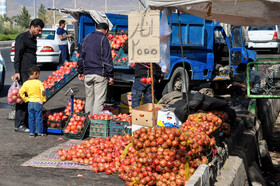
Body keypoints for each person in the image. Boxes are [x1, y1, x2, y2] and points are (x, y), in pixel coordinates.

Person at [12, 18, 44, 133]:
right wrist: (17, 72)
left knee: (30, 97)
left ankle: (26, 123)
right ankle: (19, 124)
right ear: (32, 27)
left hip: (31, 73)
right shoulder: (22, 38)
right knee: (22, 98)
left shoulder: (33, 39)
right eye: (38, 30)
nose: (39, 33)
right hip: (23, 72)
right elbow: (17, 56)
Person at [77, 23, 114, 115]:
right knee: (99, 99)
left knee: (89, 97)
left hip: (87, 74)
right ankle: (95, 122)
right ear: (106, 30)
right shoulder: (104, 39)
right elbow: (107, 59)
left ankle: (88, 120)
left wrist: (80, 71)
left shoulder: (86, 38)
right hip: (99, 74)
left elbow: (81, 57)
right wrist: (111, 75)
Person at [19, 65, 46, 137]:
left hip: (30, 102)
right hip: (38, 102)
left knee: (31, 118)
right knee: (39, 118)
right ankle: (40, 132)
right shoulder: (38, 82)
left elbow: (21, 92)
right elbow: (43, 91)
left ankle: (32, 133)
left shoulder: (26, 83)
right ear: (35, 73)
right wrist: (43, 100)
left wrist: (26, 99)